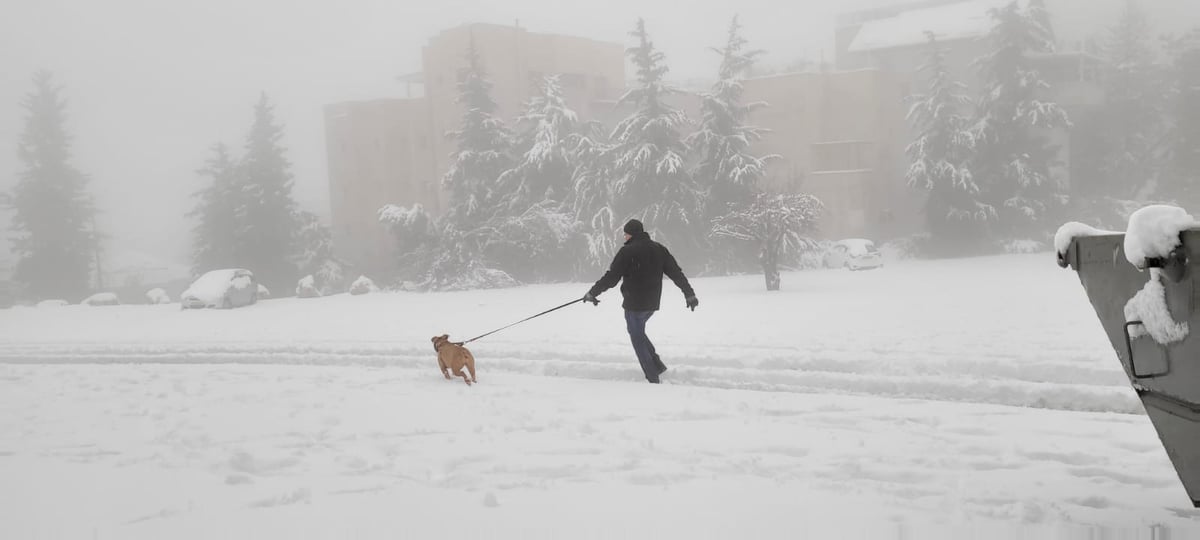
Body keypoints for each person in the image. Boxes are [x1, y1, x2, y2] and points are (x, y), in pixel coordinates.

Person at [584, 219, 699, 384]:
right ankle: (657, 365)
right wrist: (689, 294)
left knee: (636, 338)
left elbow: (611, 277)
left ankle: (652, 377)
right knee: (637, 332)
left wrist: (592, 293)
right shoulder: (659, 249)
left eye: (625, 234)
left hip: (634, 303)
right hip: (651, 304)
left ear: (631, 234)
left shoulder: (627, 251)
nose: (624, 237)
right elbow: (676, 273)